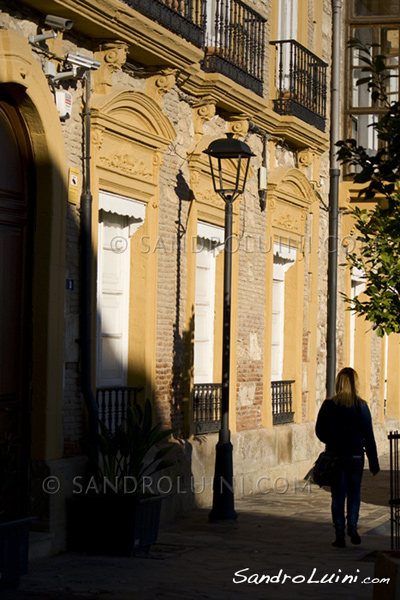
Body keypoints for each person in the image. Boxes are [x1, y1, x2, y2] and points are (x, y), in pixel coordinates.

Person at [315, 367, 380, 548]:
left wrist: (331, 441)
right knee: (354, 493)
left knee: (338, 495)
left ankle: (339, 534)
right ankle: (352, 526)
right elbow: (369, 435)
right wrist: (373, 462)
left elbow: (319, 430)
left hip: (336, 456)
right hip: (355, 456)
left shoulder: (329, 405)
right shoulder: (361, 406)